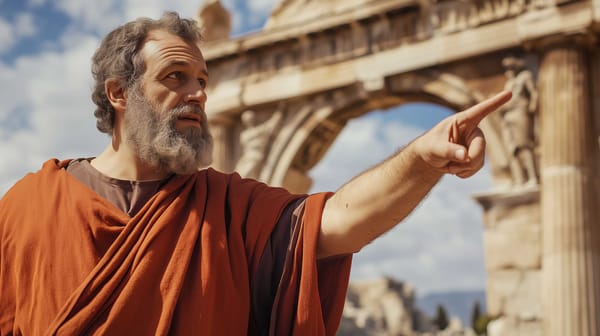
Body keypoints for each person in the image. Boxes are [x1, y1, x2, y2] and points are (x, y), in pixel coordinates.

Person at [0, 12, 511, 336]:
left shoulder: (228, 205)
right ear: (118, 93)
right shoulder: (28, 204)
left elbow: (334, 223)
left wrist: (421, 159)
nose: (198, 92)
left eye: (203, 80)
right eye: (176, 77)